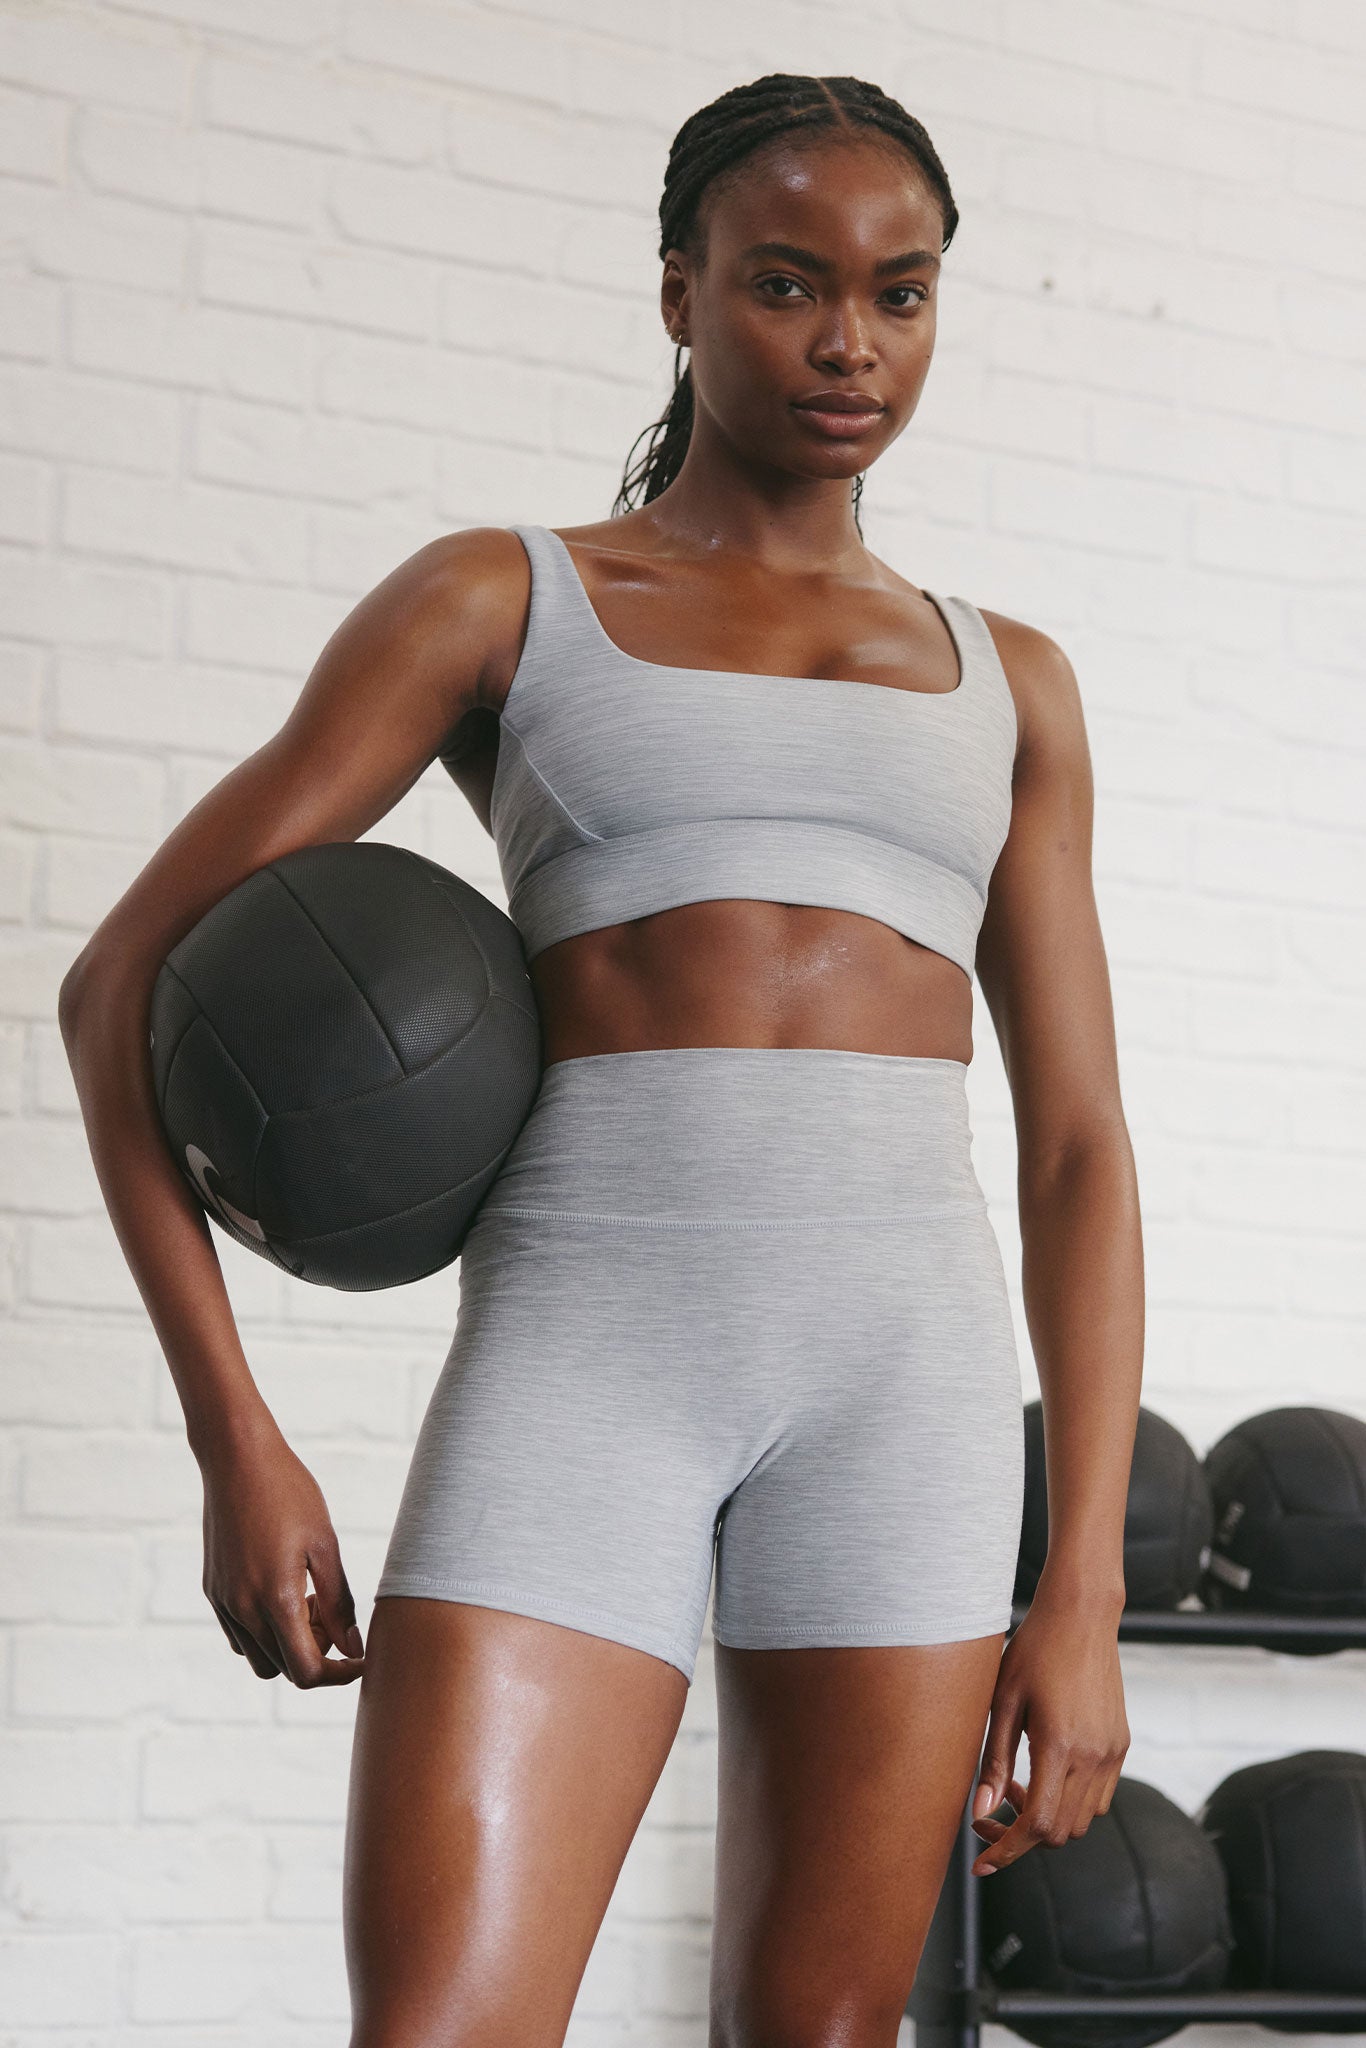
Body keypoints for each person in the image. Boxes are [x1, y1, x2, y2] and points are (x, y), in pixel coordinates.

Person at [59, 71, 1142, 2048]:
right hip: (589, 1362)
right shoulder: (508, 599)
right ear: (676, 293)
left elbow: (1072, 1143)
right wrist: (237, 1431)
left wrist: (1076, 1584)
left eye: (898, 296)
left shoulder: (1014, 683)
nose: (845, 343)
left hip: (898, 1391)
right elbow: (119, 977)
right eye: (785, 284)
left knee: (816, 2037)